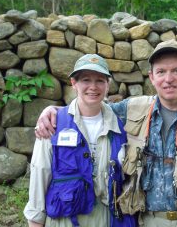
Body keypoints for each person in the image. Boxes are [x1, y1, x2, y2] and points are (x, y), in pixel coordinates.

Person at [35, 40, 177, 227]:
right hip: (148, 220)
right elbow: (90, 106)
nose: (168, 79)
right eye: (161, 72)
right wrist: (54, 112)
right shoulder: (131, 109)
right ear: (152, 77)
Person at [24, 54, 136, 227]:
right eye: (85, 80)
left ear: (108, 85)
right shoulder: (53, 124)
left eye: (100, 80)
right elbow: (40, 174)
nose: (93, 87)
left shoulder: (122, 125)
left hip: (106, 219)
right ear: (73, 83)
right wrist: (35, 222)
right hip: (63, 219)